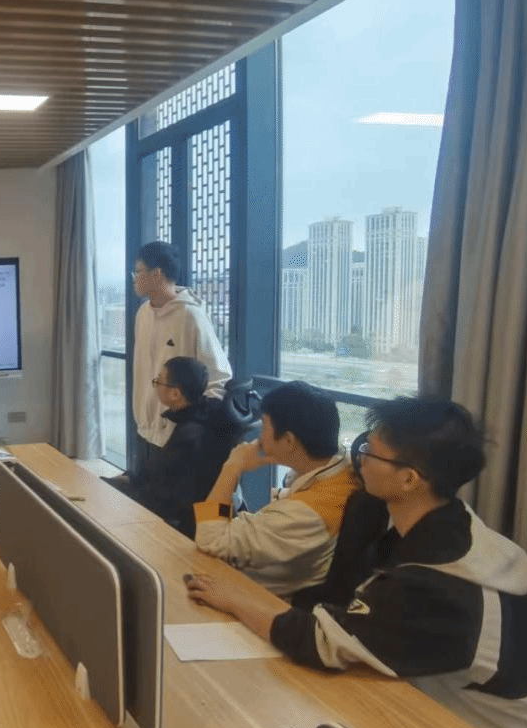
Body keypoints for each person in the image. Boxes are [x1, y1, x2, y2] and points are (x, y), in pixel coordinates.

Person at [186, 397, 527, 728]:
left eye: (371, 453)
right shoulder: (450, 521)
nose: (360, 461)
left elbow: (317, 640)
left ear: (409, 479)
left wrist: (234, 598)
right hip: (488, 706)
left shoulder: (433, 582)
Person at [194, 381, 356, 597]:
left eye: (264, 426)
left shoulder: (303, 514)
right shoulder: (342, 467)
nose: (260, 438)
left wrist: (232, 467)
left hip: (256, 597)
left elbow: (209, 539)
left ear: (288, 441)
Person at [119, 241, 232, 498]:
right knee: (141, 505)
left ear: (156, 273)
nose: (134, 278)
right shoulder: (142, 314)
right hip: (144, 431)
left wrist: (193, 425)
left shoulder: (190, 316)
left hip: (176, 438)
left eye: (138, 271)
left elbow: (219, 377)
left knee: (167, 509)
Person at [141, 356, 237, 539]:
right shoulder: (209, 413)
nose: (156, 385)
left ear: (175, 394)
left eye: (159, 381)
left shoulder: (189, 436)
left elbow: (166, 498)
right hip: (212, 515)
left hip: (189, 528)